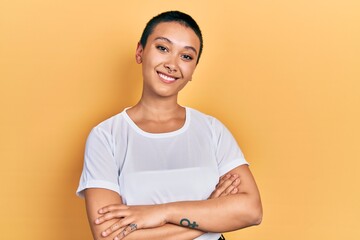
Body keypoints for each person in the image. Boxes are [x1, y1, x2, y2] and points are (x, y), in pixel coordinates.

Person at [76, 10, 262, 240]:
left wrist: (162, 213)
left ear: (193, 70)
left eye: (186, 56)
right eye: (163, 48)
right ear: (140, 52)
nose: (172, 64)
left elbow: (251, 211)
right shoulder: (106, 136)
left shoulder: (212, 130)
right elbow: (110, 236)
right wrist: (211, 214)